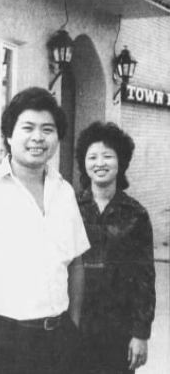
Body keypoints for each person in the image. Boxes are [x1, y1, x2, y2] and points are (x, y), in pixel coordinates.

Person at [0, 87, 90, 374]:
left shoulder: (64, 192)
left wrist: (72, 325)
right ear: (9, 136)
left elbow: (76, 263)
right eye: (28, 128)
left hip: (58, 339)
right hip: (2, 339)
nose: (38, 137)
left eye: (47, 129)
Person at [76, 121, 156, 374]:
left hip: (118, 330)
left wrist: (140, 334)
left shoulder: (136, 214)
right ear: (84, 163)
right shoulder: (69, 207)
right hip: (75, 326)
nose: (100, 163)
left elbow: (145, 276)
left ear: (120, 161)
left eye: (107, 156)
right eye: (92, 157)